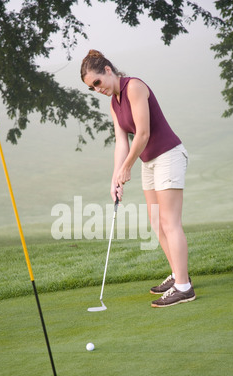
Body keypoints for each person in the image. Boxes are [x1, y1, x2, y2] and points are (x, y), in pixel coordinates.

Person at [81, 50, 196, 308]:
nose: (96, 89)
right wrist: (115, 177)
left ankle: (184, 288)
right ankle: (180, 275)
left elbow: (142, 134)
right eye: (91, 88)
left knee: (170, 222)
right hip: (148, 162)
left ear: (108, 70)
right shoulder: (114, 103)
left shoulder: (134, 86)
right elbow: (121, 142)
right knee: (156, 222)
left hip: (168, 156)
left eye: (97, 82)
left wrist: (127, 167)